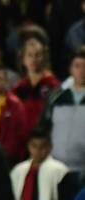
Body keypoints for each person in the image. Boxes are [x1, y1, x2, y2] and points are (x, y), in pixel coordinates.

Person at [39, 46, 85, 178]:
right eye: (77, 66)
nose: (82, 71)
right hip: (55, 169)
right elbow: (44, 127)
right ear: (70, 69)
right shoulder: (56, 97)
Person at [10, 128, 75, 200]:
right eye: (34, 146)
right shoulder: (18, 170)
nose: (38, 150)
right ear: (28, 146)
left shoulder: (60, 171)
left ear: (50, 146)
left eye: (43, 146)